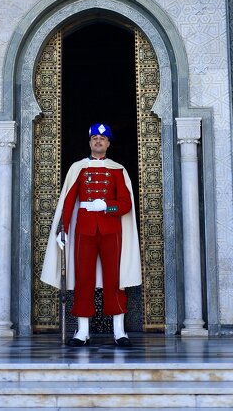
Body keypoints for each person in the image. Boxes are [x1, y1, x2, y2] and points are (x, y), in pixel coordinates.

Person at [41, 123, 141, 347]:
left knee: (114, 280)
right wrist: (63, 229)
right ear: (89, 142)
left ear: (108, 143)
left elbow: (125, 204)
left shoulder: (117, 169)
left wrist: (107, 206)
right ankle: (82, 331)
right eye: (94, 137)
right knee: (83, 278)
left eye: (102, 139)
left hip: (111, 231)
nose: (98, 141)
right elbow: (68, 202)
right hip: (84, 230)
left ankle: (119, 331)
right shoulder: (78, 168)